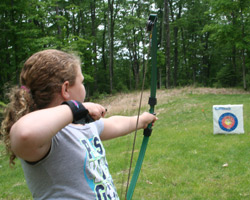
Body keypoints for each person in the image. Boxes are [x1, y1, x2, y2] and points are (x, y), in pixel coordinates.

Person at [1, 49, 157, 199]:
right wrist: (76, 108)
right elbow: (24, 133)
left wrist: (142, 120)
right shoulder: (46, 138)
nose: (84, 87)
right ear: (66, 89)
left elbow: (113, 124)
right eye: (81, 82)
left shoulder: (83, 124)